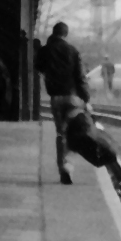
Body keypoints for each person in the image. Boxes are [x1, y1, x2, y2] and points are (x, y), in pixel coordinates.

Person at [38, 20, 88, 184]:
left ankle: (62, 167)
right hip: (72, 97)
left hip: (56, 98)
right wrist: (86, 98)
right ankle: (68, 165)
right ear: (65, 34)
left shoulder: (46, 50)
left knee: (61, 132)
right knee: (72, 131)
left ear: (54, 32)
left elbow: (38, 66)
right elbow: (80, 76)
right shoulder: (72, 51)